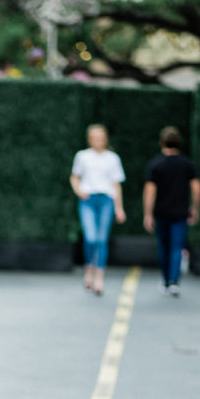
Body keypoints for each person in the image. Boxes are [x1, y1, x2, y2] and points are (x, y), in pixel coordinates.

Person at [143, 126, 200, 297]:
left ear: (162, 143)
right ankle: (174, 281)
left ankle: (165, 279)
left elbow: (149, 192)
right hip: (180, 213)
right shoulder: (187, 164)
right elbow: (197, 189)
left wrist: (147, 214)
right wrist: (195, 208)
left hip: (161, 213)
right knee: (177, 247)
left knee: (164, 247)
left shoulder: (156, 165)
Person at [70, 124, 126, 295]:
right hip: (88, 200)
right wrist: (79, 191)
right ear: (90, 139)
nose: (98, 141)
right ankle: (89, 270)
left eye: (101, 138)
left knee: (102, 239)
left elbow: (116, 184)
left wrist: (119, 207)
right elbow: (74, 177)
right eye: (95, 138)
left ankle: (99, 276)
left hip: (106, 200)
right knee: (91, 237)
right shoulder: (82, 156)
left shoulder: (112, 158)